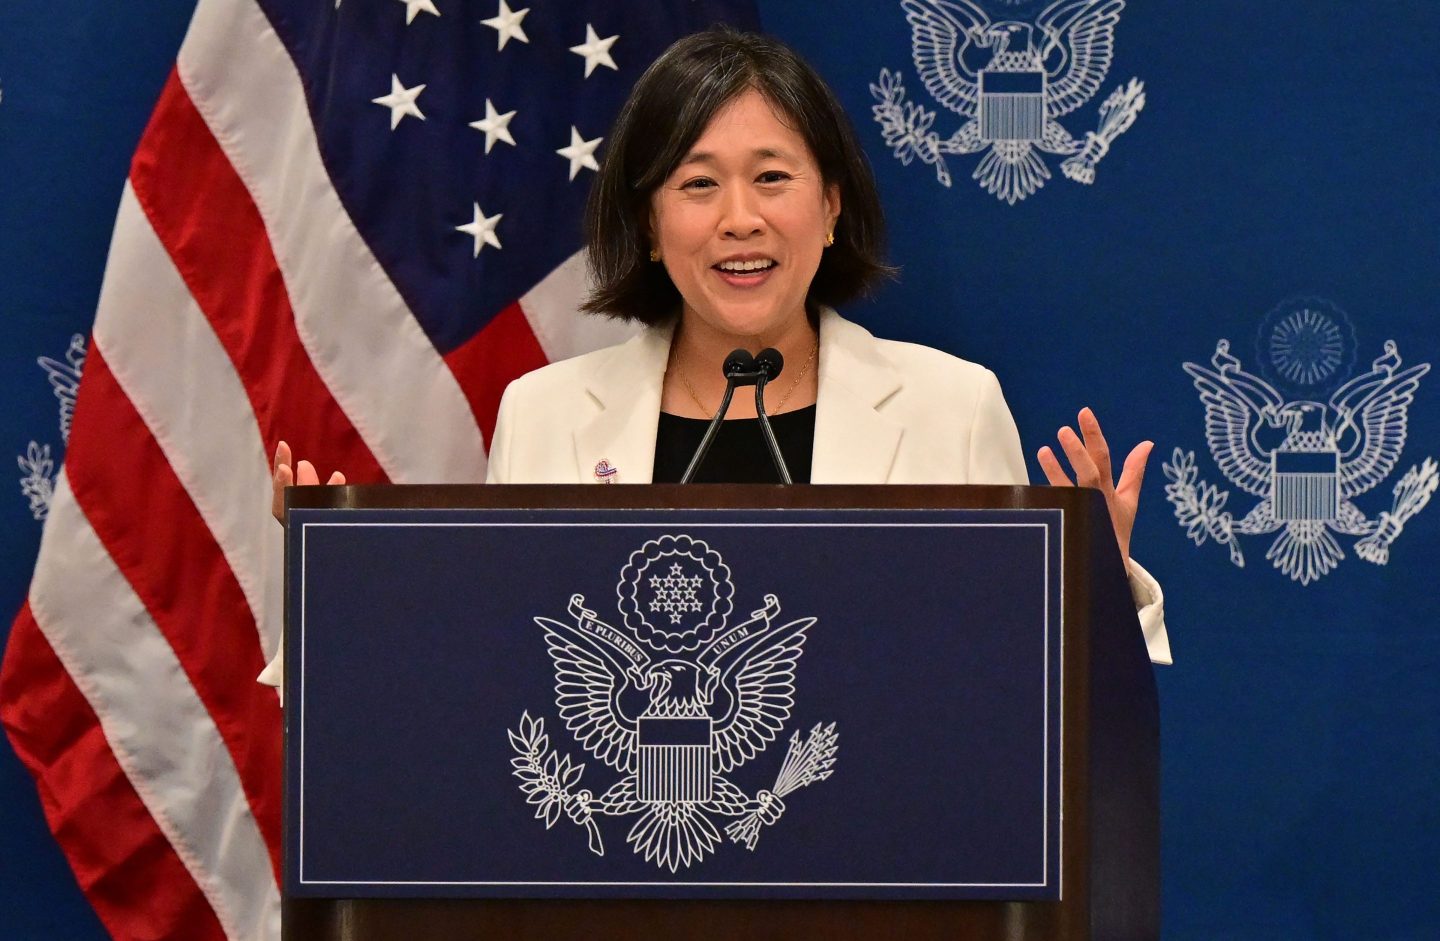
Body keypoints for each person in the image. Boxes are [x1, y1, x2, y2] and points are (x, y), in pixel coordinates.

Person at [265, 28, 1170, 695]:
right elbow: (496, 675)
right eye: (698, 184)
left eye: (772, 177)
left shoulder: (950, 405)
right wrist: (334, 575)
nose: (740, 217)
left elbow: (1021, 691)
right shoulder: (545, 412)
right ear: (652, 228)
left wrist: (1091, 584)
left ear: (829, 209)